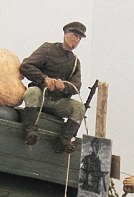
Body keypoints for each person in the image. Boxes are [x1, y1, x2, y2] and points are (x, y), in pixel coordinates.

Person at [20, 22, 87, 153]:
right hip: (41, 96)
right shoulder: (48, 49)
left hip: (58, 102)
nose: (76, 40)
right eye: (74, 35)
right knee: (32, 92)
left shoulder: (75, 62)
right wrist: (44, 79)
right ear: (65, 34)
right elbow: (26, 66)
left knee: (79, 108)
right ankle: (30, 131)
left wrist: (64, 87)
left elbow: (76, 86)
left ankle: (64, 140)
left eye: (79, 38)